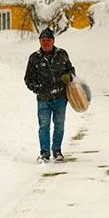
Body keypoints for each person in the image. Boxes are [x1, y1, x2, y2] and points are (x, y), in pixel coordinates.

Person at [24, 27, 76, 162]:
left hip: (60, 98)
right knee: (44, 126)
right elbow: (28, 79)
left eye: (48, 40)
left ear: (53, 41)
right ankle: (44, 153)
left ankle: (57, 151)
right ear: (39, 42)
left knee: (59, 125)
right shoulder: (34, 58)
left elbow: (72, 71)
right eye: (42, 40)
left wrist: (68, 76)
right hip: (43, 99)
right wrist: (39, 89)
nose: (45, 43)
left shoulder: (62, 54)